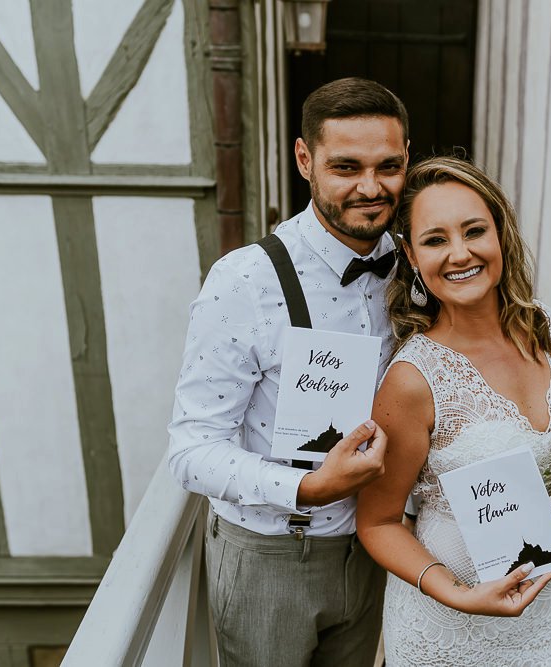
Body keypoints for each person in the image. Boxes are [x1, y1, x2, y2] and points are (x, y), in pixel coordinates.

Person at [168, 77, 409, 667]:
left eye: (389, 167)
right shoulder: (243, 281)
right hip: (269, 555)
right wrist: (306, 488)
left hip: (375, 550)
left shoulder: (416, 265)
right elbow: (191, 448)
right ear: (305, 160)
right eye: (346, 167)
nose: (370, 188)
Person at [356, 156, 551, 666]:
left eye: (474, 231)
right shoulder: (413, 379)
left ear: (500, 235)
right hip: (448, 628)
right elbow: (378, 522)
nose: (460, 253)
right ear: (412, 257)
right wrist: (457, 593)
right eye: (436, 240)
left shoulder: (545, 328)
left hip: (544, 615)